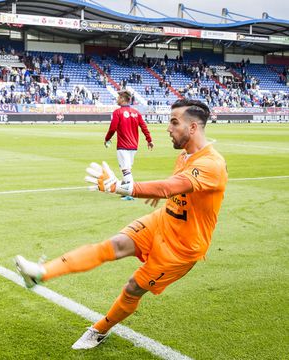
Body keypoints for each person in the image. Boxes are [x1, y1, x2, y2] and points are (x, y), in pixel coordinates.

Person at [15, 99, 228, 350]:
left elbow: (171, 186)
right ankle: (39, 274)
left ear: (193, 128)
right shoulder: (186, 156)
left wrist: (119, 186)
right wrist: (161, 194)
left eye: (174, 122)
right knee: (113, 245)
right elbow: (175, 185)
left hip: (182, 248)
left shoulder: (212, 164)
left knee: (133, 288)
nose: (168, 128)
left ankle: (99, 330)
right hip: (162, 222)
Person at [104, 89, 153, 200]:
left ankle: (130, 194)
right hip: (133, 146)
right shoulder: (136, 112)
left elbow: (112, 128)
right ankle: (126, 191)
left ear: (122, 99)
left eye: (118, 97)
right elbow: (143, 126)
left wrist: (107, 139)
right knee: (127, 169)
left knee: (125, 170)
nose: (117, 99)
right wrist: (149, 140)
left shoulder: (117, 112)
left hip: (123, 146)